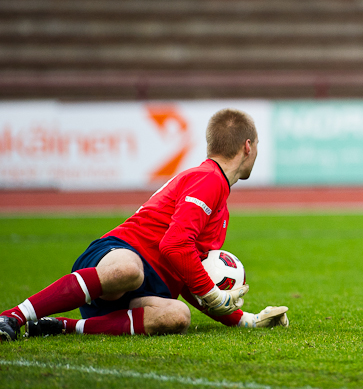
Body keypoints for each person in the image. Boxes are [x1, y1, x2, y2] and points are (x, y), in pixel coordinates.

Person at [0, 108, 289, 341]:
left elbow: (190, 271)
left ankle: (63, 327)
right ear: (248, 146)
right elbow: (174, 245)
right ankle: (13, 316)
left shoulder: (219, 200)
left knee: (178, 317)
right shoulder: (208, 179)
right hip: (118, 257)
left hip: (148, 290)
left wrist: (246, 320)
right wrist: (214, 294)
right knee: (128, 271)